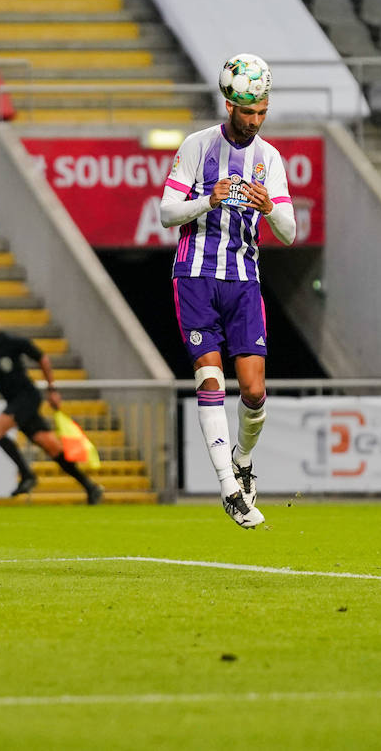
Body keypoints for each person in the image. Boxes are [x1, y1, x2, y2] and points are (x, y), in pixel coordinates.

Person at [159, 54, 295, 529]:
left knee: (254, 392)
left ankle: (242, 460)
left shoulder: (269, 159)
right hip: (195, 278)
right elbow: (166, 212)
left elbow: (290, 231)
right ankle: (228, 489)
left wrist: (269, 209)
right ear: (229, 104)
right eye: (247, 111)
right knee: (212, 381)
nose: (255, 120)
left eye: (261, 111)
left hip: (244, 283)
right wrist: (207, 199)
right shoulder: (198, 146)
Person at [0, 303, 102, 504]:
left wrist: (52, 389)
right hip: (14, 402)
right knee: (52, 447)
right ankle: (91, 487)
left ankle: (27, 475)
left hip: (27, 396)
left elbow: (42, 358)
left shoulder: (11, 341)